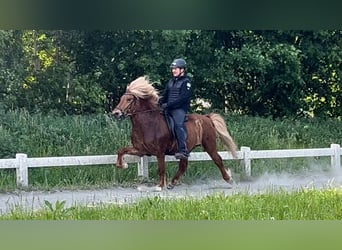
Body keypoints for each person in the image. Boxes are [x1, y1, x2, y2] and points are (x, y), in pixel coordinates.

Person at [160, 58, 192, 160]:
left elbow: (182, 98)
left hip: (179, 109)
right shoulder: (171, 82)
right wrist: (159, 103)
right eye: (173, 69)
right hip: (169, 108)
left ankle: (183, 150)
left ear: (182, 70)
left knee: (178, 125)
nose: (173, 70)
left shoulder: (186, 82)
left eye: (176, 68)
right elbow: (165, 95)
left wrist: (168, 105)